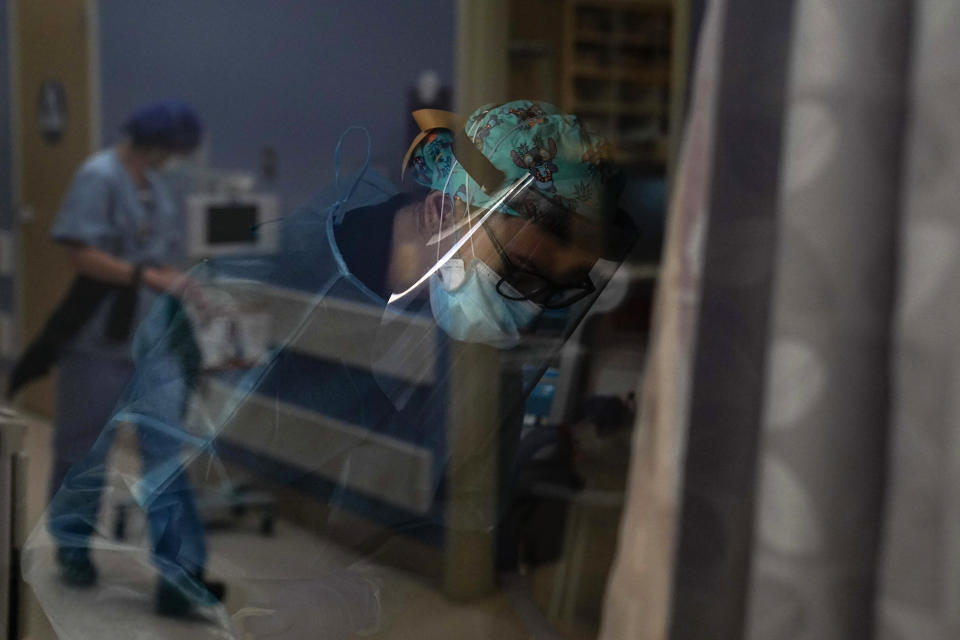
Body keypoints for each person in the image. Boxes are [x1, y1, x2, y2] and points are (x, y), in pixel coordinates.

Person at [26, 100, 635, 635]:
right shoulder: (257, 288)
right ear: (446, 208)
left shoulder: (472, 353)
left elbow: (454, 536)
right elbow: (134, 492)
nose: (525, 312)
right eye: (520, 274)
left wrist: (355, 595)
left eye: (554, 291)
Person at [34, 100, 221, 612]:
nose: (177, 160)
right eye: (176, 151)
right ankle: (72, 547)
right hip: (98, 343)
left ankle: (179, 579)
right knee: (83, 452)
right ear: (159, 145)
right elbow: (80, 253)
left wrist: (184, 285)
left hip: (152, 340)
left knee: (165, 454)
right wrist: (148, 277)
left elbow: (156, 254)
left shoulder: (156, 187)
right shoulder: (98, 176)